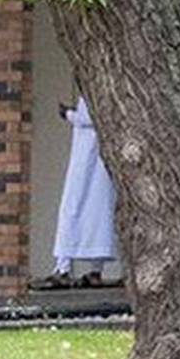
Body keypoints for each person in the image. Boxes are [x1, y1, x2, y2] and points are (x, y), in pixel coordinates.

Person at [52, 95, 119, 286]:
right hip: (98, 158)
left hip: (86, 158)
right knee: (99, 213)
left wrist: (69, 114)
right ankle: (95, 270)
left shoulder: (95, 92)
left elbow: (91, 118)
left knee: (72, 208)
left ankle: (63, 268)